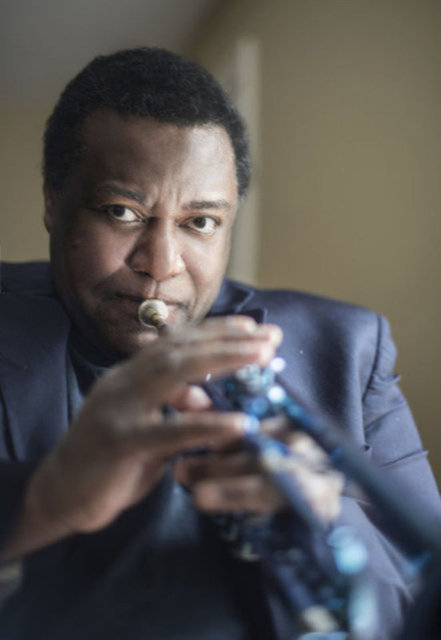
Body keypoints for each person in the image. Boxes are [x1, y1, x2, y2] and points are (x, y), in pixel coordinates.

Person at [0, 47, 439, 640]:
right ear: (54, 203)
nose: (161, 265)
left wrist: (329, 519)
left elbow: (419, 598)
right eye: (122, 212)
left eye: (200, 222)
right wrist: (46, 497)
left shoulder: (348, 348)